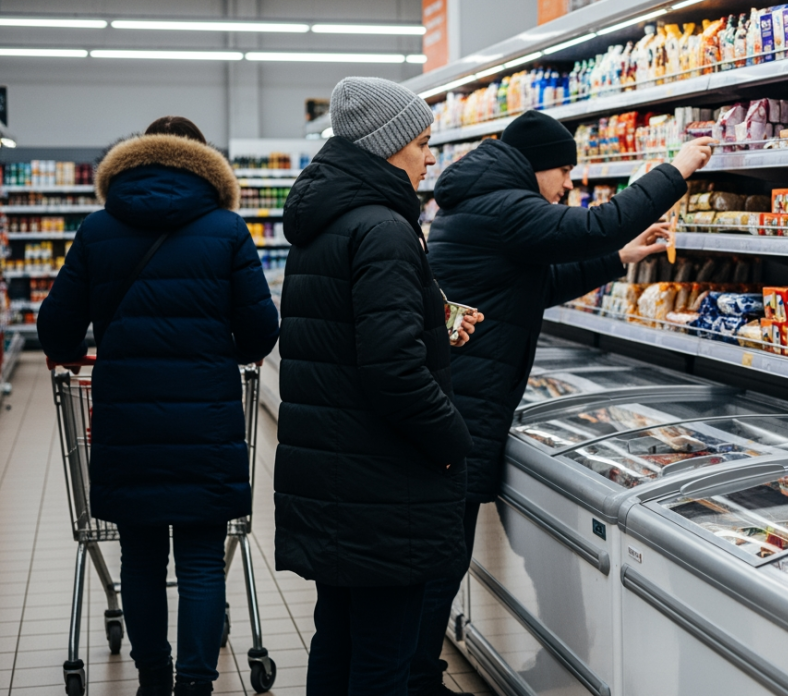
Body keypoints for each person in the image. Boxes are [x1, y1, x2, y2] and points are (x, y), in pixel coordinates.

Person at [413, 109, 713, 695]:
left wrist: (620, 260)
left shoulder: (480, 201)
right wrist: (674, 169)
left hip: (463, 399)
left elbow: (535, 284)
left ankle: (416, 674)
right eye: (565, 172)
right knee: (441, 560)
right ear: (536, 167)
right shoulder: (504, 205)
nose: (568, 185)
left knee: (443, 556)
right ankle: (415, 680)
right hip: (463, 406)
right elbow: (594, 225)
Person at [38, 116, 280, 696]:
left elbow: (55, 327)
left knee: (141, 560)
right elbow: (259, 332)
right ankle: (196, 685)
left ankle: (152, 680)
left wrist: (73, 352)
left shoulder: (98, 230)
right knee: (200, 557)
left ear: (134, 158)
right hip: (206, 423)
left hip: (128, 422)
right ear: (205, 166)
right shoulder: (227, 230)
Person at [273, 76, 481, 696]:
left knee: (337, 636)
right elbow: (392, 371)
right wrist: (453, 439)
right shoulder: (385, 228)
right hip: (383, 485)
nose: (428, 159)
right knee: (383, 659)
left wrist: (432, 326)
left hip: (338, 474)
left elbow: (347, 338)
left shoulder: (327, 218)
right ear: (388, 146)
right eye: (421, 143)